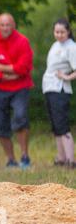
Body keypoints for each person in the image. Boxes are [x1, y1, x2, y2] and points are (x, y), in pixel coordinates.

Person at [0, 13, 34, 168]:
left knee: (20, 117)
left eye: (8, 25)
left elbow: (25, 67)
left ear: (14, 26)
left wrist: (3, 68)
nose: (5, 28)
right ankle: (11, 160)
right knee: (0, 126)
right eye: (2, 25)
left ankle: (25, 157)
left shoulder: (23, 41)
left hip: (21, 87)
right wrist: (11, 73)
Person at [42, 18, 76, 169]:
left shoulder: (72, 47)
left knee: (62, 125)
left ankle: (71, 160)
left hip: (60, 89)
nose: (59, 34)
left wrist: (67, 77)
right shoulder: (55, 45)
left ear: (68, 31)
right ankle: (61, 158)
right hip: (49, 88)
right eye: (56, 32)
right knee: (56, 126)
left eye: (62, 32)